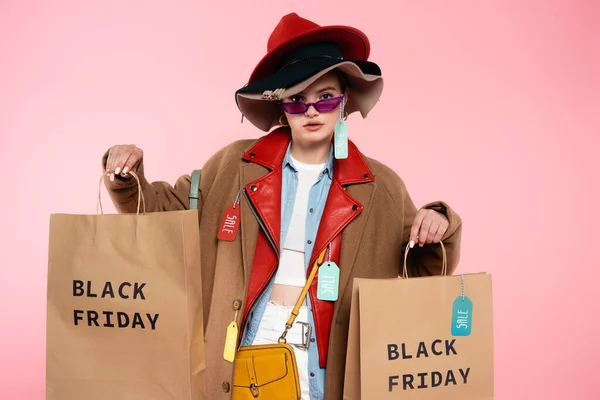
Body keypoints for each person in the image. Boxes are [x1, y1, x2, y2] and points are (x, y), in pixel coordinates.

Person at [102, 12, 462, 400]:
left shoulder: (381, 187)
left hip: (328, 359)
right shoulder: (232, 167)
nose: (311, 111)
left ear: (343, 102)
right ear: (280, 106)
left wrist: (440, 220)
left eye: (324, 98)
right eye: (297, 99)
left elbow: (424, 267)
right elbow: (162, 213)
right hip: (244, 346)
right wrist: (126, 174)